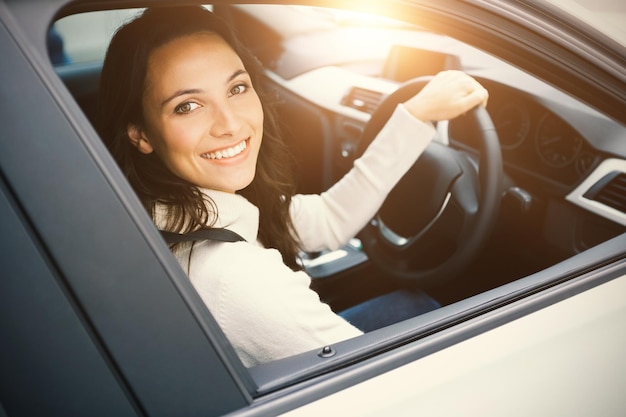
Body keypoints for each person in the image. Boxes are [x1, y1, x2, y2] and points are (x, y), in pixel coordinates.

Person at [97, 5, 488, 367]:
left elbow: (327, 220)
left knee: (410, 303)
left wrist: (416, 115)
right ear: (140, 134)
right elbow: (373, 379)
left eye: (237, 88)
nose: (230, 124)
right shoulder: (235, 276)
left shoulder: (171, 207)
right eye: (188, 106)